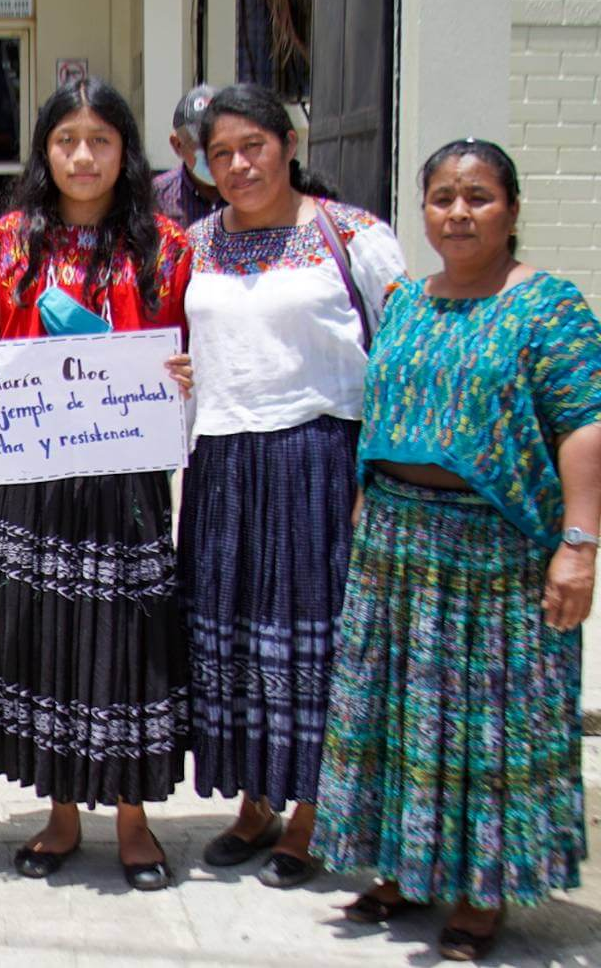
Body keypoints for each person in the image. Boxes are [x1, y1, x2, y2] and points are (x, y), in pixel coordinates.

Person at [312, 139, 600, 961]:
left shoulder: (547, 307)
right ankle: (404, 869)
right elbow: (382, 414)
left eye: (477, 197)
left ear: (511, 209)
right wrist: (367, 505)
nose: (458, 213)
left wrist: (579, 545)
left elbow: (586, 424)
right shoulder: (405, 300)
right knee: (398, 716)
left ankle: (482, 891)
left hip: (497, 549)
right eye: (442, 197)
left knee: (485, 727)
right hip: (397, 541)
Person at [0, 78, 195, 891]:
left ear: (127, 151)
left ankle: (133, 817)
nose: (83, 156)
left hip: (125, 484)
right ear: (44, 150)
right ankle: (59, 813)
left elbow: (192, 350)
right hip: (32, 481)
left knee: (128, 645)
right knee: (47, 643)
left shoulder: (169, 247)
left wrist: (191, 372)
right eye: (66, 140)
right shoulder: (9, 242)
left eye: (101, 141)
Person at [180, 83, 407, 888]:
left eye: (254, 147)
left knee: (312, 638)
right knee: (234, 638)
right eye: (220, 155)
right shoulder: (195, 245)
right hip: (222, 463)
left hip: (319, 457)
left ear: (289, 142)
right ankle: (253, 803)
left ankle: (309, 815)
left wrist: (373, 476)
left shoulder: (354, 237)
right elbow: (180, 348)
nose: (239, 165)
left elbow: (400, 357)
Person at [151, 84, 224, 228]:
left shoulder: (247, 188)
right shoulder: (157, 196)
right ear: (177, 145)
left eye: (221, 143)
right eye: (200, 142)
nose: (212, 152)